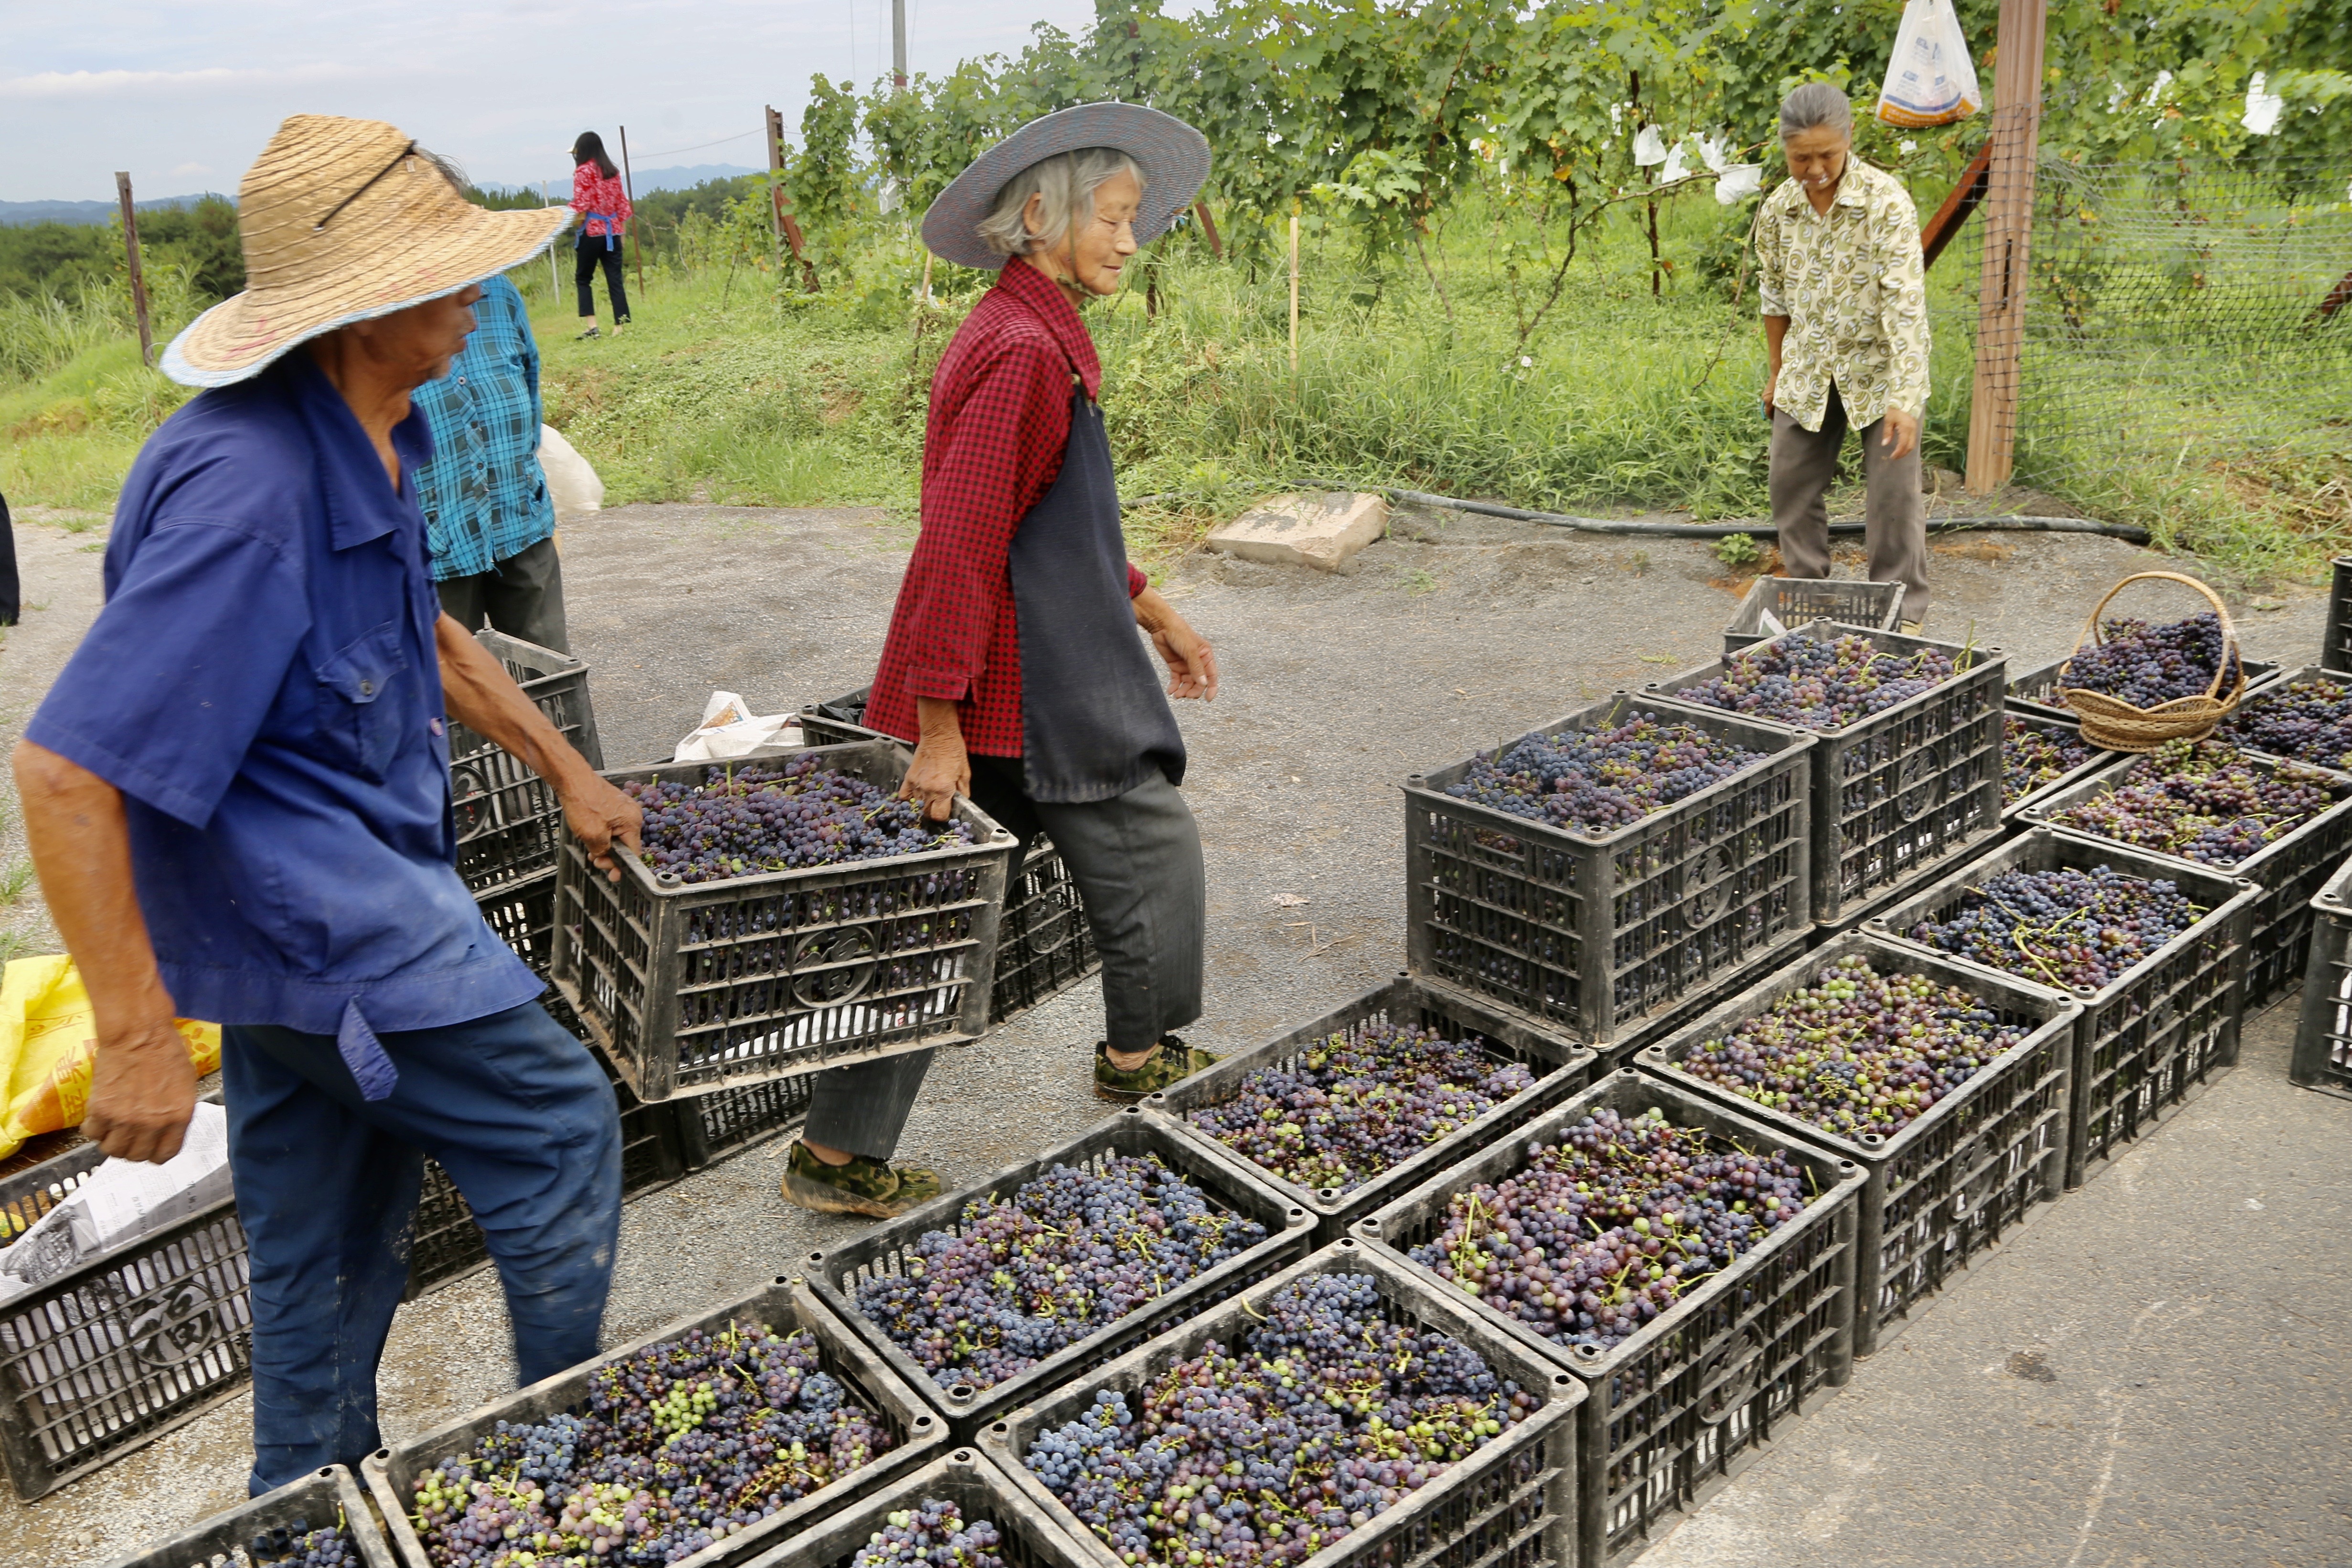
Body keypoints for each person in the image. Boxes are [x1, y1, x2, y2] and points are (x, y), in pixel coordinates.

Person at [13, 115, 642, 1493]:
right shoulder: (251, 490)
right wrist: (129, 1037)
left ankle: (302, 1512)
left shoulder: (374, 432)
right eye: (448, 270)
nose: (478, 290)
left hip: (307, 932)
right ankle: (562, 1488)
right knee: (556, 1128)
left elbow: (425, 632)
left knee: (331, 1247)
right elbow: (64, 768)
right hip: (318, 925)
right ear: (364, 309)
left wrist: (567, 768)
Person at [780, 105, 1221, 1219]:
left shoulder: (1024, 333)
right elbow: (959, 544)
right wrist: (936, 728)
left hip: (1014, 683)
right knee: (1151, 850)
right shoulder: (1025, 351)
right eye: (1113, 220)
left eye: (1134, 221)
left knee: (937, 922)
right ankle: (1136, 1058)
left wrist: (1151, 606)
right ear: (1038, 219)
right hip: (1025, 699)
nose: (1130, 240)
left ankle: (832, 1157)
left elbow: (1046, 531)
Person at [1756, 82, 1933, 630]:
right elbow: (1774, 296)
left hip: (1879, 369)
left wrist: (1904, 398)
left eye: (1825, 154)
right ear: (1784, 149)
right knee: (1788, 485)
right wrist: (1776, 373)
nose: (1814, 169)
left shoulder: (1884, 202)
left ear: (1848, 140)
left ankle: (1899, 618)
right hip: (1808, 366)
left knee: (1891, 498)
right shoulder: (1778, 210)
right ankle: (1809, 603)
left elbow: (1905, 304)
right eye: (1800, 157)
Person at [415, 271, 568, 651]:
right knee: (449, 694)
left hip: (520, 518)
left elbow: (530, 385)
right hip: (433, 544)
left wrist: (524, 477)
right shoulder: (386, 309)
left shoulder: (498, 291)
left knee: (549, 678)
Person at [569, 132, 631, 339]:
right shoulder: (612, 172)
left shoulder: (583, 172)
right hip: (612, 231)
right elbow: (622, 204)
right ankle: (620, 326)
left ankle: (592, 327)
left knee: (584, 278)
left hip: (591, 231)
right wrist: (621, 232)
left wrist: (562, 215)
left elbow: (581, 204)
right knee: (615, 280)